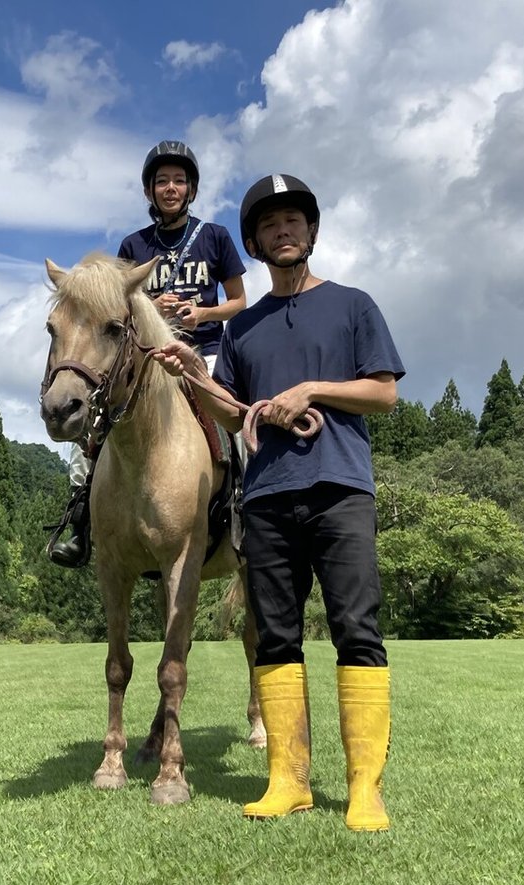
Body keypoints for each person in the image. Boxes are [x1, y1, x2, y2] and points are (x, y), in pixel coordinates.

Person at [151, 174, 404, 831]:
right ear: (256, 244)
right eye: (270, 226)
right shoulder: (245, 328)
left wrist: (312, 390)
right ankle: (288, 780)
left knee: (357, 632)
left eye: (294, 221)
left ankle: (363, 789)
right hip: (264, 499)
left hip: (341, 491)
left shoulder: (354, 306)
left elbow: (383, 393)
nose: (283, 231)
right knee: (276, 640)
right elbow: (234, 417)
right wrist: (194, 373)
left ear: (311, 232)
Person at [49, 140, 247, 567]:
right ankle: (81, 520)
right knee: (93, 426)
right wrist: (151, 309)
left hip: (204, 352)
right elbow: (113, 309)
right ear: (150, 191)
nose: (170, 188)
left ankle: (246, 514)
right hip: (146, 360)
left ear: (190, 189)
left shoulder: (214, 236)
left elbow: (239, 302)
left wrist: (201, 313)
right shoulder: (133, 245)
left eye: (179, 180)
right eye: (162, 181)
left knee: (235, 425)